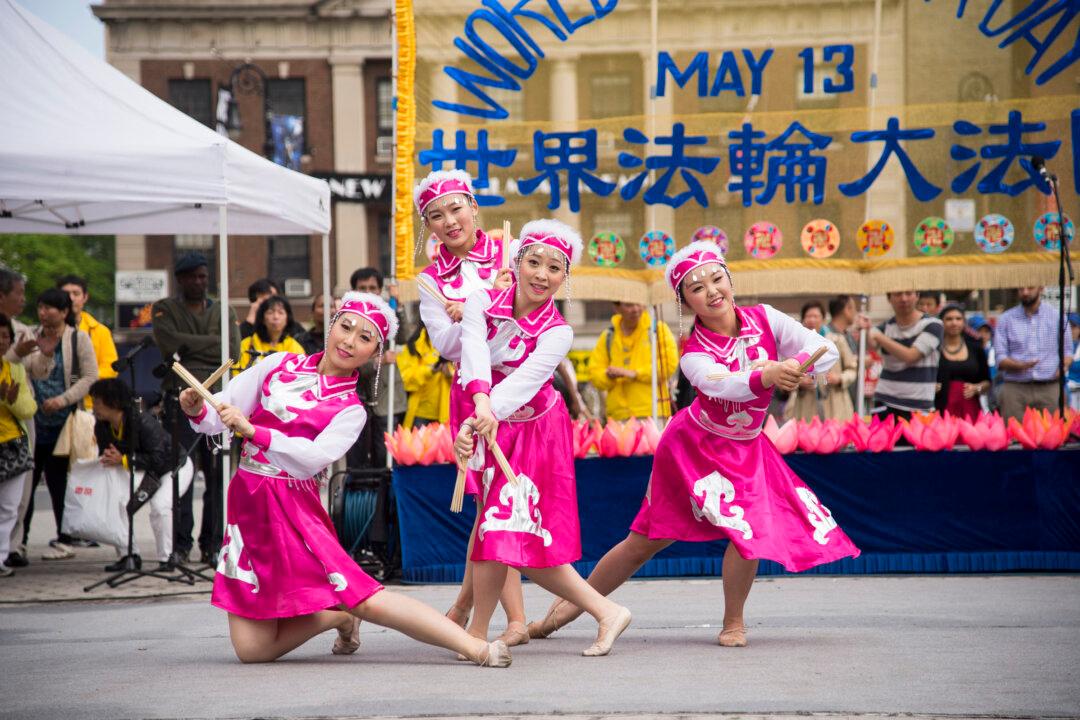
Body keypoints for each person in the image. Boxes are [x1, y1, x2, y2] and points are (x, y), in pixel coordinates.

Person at [527, 241, 859, 647]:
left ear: (729, 280)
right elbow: (722, 384)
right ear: (686, 301)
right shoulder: (694, 352)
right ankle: (566, 610)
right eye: (697, 288)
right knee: (644, 542)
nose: (712, 291)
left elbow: (820, 349)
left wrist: (791, 364)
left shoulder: (767, 319)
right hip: (693, 449)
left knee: (747, 529)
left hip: (747, 448)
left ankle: (733, 622)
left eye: (717, 279)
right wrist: (765, 375)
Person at [179, 292, 510, 667]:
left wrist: (256, 432)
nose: (350, 341)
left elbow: (312, 460)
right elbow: (219, 411)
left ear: (375, 354)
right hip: (248, 506)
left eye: (365, 338)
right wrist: (197, 409)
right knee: (252, 651)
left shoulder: (351, 410)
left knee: (366, 598)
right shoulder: (276, 365)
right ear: (331, 325)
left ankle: (476, 648)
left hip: (293, 508)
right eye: (346, 327)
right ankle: (338, 615)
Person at [454, 219, 632, 657]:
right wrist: (479, 408)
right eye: (533, 262)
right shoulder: (479, 302)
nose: (541, 275)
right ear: (516, 262)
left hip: (536, 433)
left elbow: (526, 383)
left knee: (506, 529)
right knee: (501, 531)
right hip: (491, 420)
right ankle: (479, 631)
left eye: (554, 268)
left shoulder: (558, 331)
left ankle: (476, 633)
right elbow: (473, 353)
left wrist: (481, 412)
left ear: (564, 277)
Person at [411, 169, 521, 645]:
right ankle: (508, 619)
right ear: (428, 226)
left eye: (456, 208)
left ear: (474, 208)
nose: (449, 220)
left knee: (508, 504)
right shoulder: (430, 281)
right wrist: (481, 305)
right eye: (436, 215)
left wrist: (498, 297)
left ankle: (465, 607)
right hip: (474, 394)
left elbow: (540, 309)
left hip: (524, 386)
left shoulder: (512, 253)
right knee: (493, 504)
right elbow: (448, 345)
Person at [151, 252, 240, 565]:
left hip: (218, 400)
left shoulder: (223, 309)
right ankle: (180, 544)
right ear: (181, 279)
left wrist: (188, 347)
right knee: (181, 475)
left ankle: (213, 544)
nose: (199, 282)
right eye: (193, 277)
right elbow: (168, 344)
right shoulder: (165, 309)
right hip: (180, 401)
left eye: (203, 276)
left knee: (217, 477)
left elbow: (233, 350)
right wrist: (212, 343)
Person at [24, 288, 98, 560]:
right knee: (26, 483)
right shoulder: (28, 336)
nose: (44, 312)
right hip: (32, 419)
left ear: (65, 311)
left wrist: (63, 399)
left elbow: (90, 376)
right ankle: (20, 540)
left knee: (58, 481)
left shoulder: (78, 338)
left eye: (50, 308)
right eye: (40, 307)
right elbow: (23, 370)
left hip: (64, 421)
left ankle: (65, 537)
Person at [88, 377, 192, 571]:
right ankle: (129, 555)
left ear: (114, 402)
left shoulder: (142, 421)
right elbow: (110, 453)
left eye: (98, 402)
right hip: (144, 470)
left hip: (175, 466)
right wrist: (110, 457)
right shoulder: (101, 425)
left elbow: (159, 458)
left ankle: (166, 558)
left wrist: (125, 459)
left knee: (160, 507)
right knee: (119, 504)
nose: (94, 406)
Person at [0, 267, 37, 568]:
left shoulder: (24, 331)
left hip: (14, 435)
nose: (23, 300)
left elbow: (26, 406)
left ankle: (9, 550)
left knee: (14, 503)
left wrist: (45, 354)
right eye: (19, 293)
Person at [858, 291, 943, 420]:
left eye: (908, 293)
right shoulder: (886, 326)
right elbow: (871, 344)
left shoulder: (933, 325)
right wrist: (865, 329)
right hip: (884, 401)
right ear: (889, 298)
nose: (903, 299)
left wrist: (879, 337)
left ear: (917, 295)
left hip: (918, 407)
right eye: (897, 294)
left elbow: (911, 356)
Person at [992, 286, 1072, 420]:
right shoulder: (1006, 319)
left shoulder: (1057, 317)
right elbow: (1000, 357)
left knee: (1052, 435)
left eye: (1030, 288)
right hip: (1015, 388)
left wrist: (1063, 366)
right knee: (1014, 436)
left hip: (1049, 386)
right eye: (1020, 289)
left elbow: (1068, 352)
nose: (1025, 292)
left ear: (1041, 288)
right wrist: (1020, 366)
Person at [588, 302, 678, 421]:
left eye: (639, 304)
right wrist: (608, 376)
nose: (635, 309)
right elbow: (594, 374)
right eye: (629, 305)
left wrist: (635, 374)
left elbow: (668, 365)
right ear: (616, 308)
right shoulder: (608, 336)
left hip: (653, 413)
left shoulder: (658, 329)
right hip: (618, 417)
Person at [785, 300, 856, 421]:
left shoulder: (837, 340)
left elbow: (853, 369)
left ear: (823, 319)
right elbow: (785, 374)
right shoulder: (796, 344)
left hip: (835, 403)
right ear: (803, 320)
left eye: (816, 316)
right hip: (806, 405)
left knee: (835, 437)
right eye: (808, 316)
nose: (812, 320)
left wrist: (839, 378)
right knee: (808, 437)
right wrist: (799, 382)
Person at [933, 304, 991, 421]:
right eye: (949, 319)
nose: (954, 323)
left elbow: (987, 381)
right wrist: (930, 387)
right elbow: (923, 377)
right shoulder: (933, 348)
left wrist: (976, 388)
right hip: (941, 409)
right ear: (941, 322)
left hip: (970, 410)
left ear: (964, 322)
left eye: (958, 319)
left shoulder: (976, 348)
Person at [396, 320, 453, 429]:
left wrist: (450, 374)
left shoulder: (455, 343)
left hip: (447, 415)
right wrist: (429, 371)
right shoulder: (413, 346)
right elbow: (405, 379)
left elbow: (467, 379)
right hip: (420, 414)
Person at [235, 296, 305, 374]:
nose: (276, 317)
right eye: (270, 312)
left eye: (281, 312)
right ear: (262, 318)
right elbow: (238, 375)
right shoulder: (247, 344)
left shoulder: (295, 347)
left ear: (287, 319)